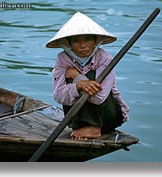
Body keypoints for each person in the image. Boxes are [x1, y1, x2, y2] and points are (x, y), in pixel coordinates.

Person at [46, 12, 129, 140]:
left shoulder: (104, 58)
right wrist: (78, 86)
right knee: (70, 79)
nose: (82, 46)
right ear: (69, 43)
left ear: (95, 41)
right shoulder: (62, 59)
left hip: (108, 117)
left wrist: (77, 76)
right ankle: (82, 126)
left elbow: (99, 98)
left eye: (87, 39)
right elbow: (58, 96)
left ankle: (95, 128)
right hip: (77, 119)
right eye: (76, 41)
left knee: (89, 76)